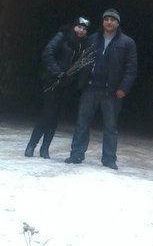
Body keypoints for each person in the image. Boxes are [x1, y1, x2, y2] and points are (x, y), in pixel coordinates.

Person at [65, 9, 137, 170]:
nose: (109, 22)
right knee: (82, 124)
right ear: (103, 22)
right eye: (106, 19)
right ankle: (76, 154)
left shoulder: (127, 43)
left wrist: (123, 88)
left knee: (110, 127)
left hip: (111, 91)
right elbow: (80, 60)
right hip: (90, 88)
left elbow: (131, 69)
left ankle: (109, 159)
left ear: (118, 23)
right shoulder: (91, 39)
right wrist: (79, 80)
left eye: (112, 19)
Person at [25, 17, 91, 159]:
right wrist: (58, 72)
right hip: (52, 81)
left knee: (56, 116)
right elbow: (48, 52)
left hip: (67, 84)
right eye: (79, 27)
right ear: (73, 26)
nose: (81, 30)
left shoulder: (83, 45)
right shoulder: (63, 36)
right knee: (48, 113)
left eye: (85, 29)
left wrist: (74, 80)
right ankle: (31, 145)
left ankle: (45, 148)